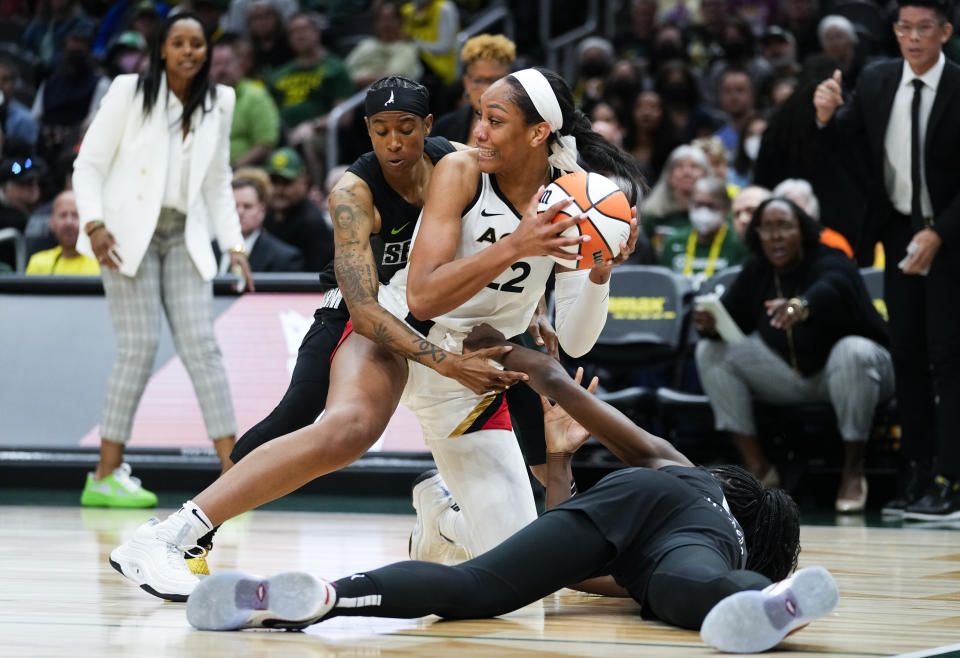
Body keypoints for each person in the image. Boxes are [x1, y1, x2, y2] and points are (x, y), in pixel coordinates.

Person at [108, 67, 642, 601]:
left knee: (528, 581)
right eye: (478, 116)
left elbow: (576, 343)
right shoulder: (458, 171)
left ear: (538, 132)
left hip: (476, 375)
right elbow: (423, 296)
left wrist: (599, 273)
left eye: (493, 120)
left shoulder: (575, 199)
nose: (477, 130)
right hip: (399, 336)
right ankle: (169, 538)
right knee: (347, 428)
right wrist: (514, 247)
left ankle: (443, 521)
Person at [184, 324, 840, 656]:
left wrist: (526, 365)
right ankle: (770, 598)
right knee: (687, 591)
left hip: (627, 497)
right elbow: (590, 584)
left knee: (477, 585)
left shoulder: (680, 467)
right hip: (689, 547)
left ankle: (330, 596)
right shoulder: (720, 534)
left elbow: (560, 390)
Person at [72, 13, 254, 509]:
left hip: (184, 234)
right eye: (179, 43)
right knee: (139, 346)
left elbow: (218, 181)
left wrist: (234, 245)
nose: (190, 52)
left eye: (197, 43)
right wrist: (93, 223)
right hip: (123, 235)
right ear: (162, 49)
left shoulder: (221, 100)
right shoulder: (129, 91)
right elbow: (87, 166)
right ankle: (104, 476)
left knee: (201, 346)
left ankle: (233, 476)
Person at [813, 0, 960, 519]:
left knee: (949, 359)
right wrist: (827, 115)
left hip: (951, 236)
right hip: (898, 231)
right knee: (908, 356)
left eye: (924, 28)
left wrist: (939, 233)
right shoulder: (877, 81)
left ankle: (950, 480)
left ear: (945, 32)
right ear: (895, 32)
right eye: (904, 28)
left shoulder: (958, 86)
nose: (913, 37)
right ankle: (916, 477)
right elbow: (845, 137)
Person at [694, 198, 894, 512]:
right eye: (767, 228)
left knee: (851, 350)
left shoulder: (831, 258)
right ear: (756, 234)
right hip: (790, 377)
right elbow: (732, 320)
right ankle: (759, 469)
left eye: (784, 226)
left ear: (802, 229)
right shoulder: (757, 269)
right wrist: (709, 325)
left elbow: (835, 285)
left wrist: (802, 305)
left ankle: (853, 471)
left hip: (861, 373)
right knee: (711, 351)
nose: (775, 236)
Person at [660, 176, 746, 288]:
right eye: (698, 204)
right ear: (690, 204)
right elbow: (663, 284)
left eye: (711, 206)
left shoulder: (738, 244)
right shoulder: (673, 241)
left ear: (726, 208)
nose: (704, 211)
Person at [208, 38, 280, 167]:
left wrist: (235, 167)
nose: (222, 70)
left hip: (245, 171)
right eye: (216, 64)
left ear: (239, 64)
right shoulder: (201, 100)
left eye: (227, 63)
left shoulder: (256, 95)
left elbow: (266, 144)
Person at [432, 33, 515, 146]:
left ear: (511, 81)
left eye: (495, 81)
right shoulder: (444, 127)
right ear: (466, 83)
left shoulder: (524, 128)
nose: (487, 89)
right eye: (478, 81)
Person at [261, 146, 334, 272]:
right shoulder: (266, 215)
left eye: (286, 182)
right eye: (274, 181)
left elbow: (316, 277)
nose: (279, 189)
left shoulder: (312, 224)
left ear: (304, 182)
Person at [220, 176, 303, 272]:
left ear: (262, 211)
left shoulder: (284, 259)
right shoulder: (209, 249)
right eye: (234, 206)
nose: (240, 212)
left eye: (247, 206)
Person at [344, 1, 423, 88]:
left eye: (391, 19)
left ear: (400, 22)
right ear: (375, 23)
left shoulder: (407, 48)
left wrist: (357, 79)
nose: (386, 24)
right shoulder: (365, 45)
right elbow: (345, 72)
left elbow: (393, 79)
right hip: (351, 94)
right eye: (382, 19)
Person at [772, 178, 854, 258]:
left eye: (799, 208)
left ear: (811, 207)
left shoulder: (831, 242)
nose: (792, 216)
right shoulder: (771, 244)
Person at [25, 189, 99, 275]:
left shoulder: (103, 262)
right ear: (52, 222)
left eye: (75, 215)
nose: (68, 223)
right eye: (63, 215)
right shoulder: (38, 263)